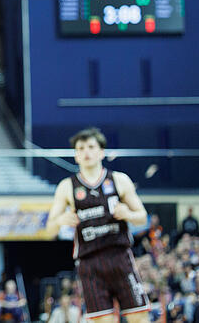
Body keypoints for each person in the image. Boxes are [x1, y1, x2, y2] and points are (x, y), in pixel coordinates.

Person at [46, 127, 151, 322]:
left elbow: (143, 217)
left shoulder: (119, 180)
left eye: (91, 147)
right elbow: (49, 229)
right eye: (81, 148)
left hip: (120, 257)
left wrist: (128, 213)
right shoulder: (67, 186)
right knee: (102, 320)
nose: (86, 152)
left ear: (101, 152)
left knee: (140, 317)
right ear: (76, 155)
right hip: (90, 262)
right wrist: (60, 221)